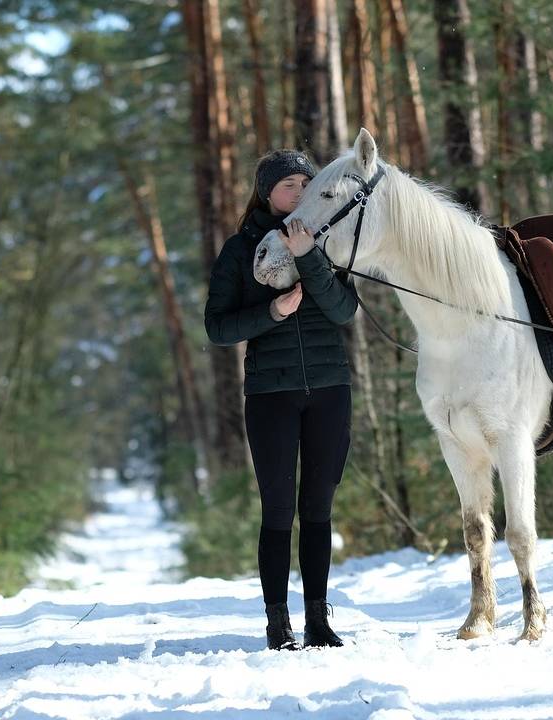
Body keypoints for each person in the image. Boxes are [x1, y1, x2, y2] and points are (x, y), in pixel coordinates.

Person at [204, 149, 358, 650]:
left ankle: (318, 620)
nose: (299, 191)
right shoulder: (240, 248)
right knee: (277, 510)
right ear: (267, 191)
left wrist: (309, 254)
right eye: (289, 184)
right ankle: (278, 623)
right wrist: (270, 313)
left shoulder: (329, 241)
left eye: (305, 183)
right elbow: (217, 327)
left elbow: (342, 311)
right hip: (271, 394)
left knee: (319, 507)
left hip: (329, 390)